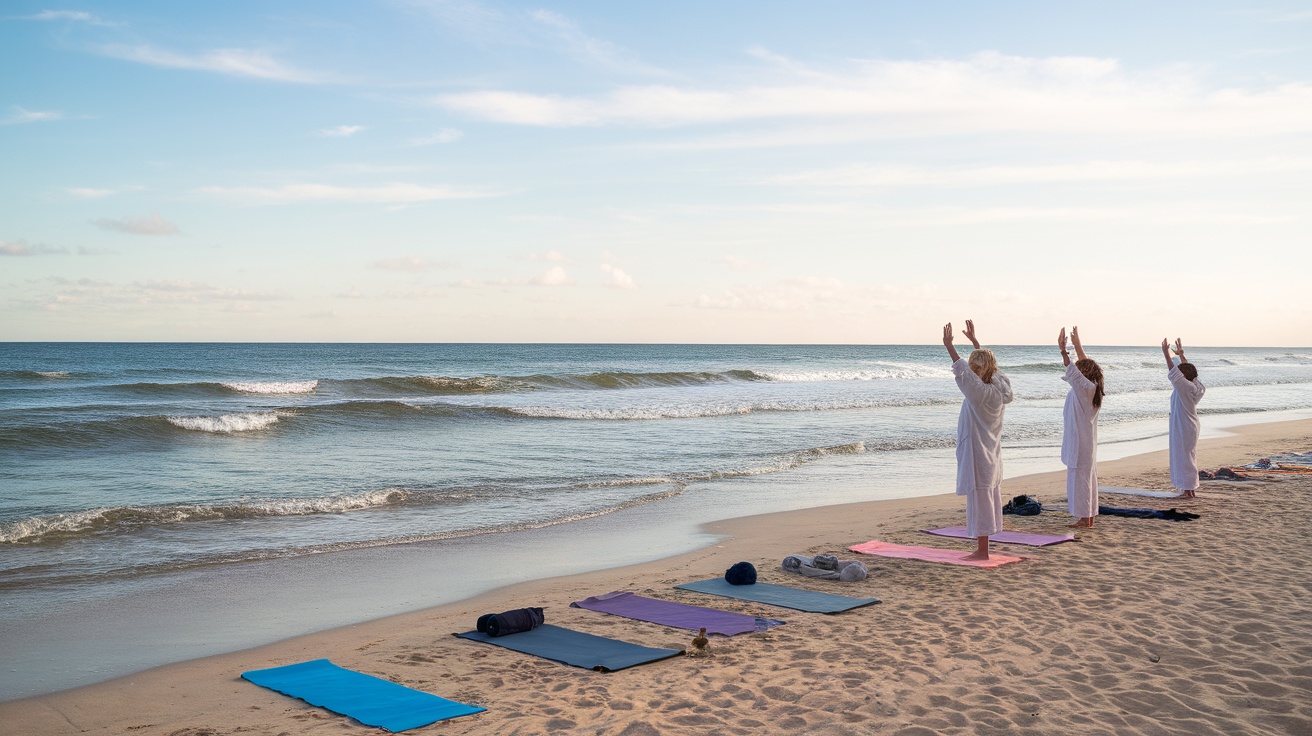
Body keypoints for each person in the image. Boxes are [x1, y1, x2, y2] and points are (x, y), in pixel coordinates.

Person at [942, 320, 1014, 560]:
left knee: (982, 499)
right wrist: (975, 344)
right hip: (991, 452)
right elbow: (991, 370)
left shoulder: (980, 393)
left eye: (977, 368)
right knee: (987, 496)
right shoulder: (998, 389)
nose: (973, 371)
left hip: (979, 452)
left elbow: (961, 371)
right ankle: (983, 547)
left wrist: (949, 346)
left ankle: (982, 551)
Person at [1058, 326, 1104, 528]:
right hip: (1086, 441)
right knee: (1088, 478)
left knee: (1081, 480)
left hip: (1080, 442)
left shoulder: (1085, 388)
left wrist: (1063, 351)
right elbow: (1082, 370)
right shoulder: (1093, 388)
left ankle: (1085, 519)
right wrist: (1077, 345)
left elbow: (1074, 373)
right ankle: (1089, 516)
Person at [1162, 337, 1205, 498]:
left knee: (1184, 457)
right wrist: (1181, 355)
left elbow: (1174, 373)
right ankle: (1189, 489)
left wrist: (1166, 354)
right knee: (1187, 455)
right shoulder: (1196, 386)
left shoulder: (1185, 387)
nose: (1179, 372)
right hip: (1188, 424)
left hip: (1184, 425)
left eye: (1181, 371)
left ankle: (1188, 490)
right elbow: (1190, 372)